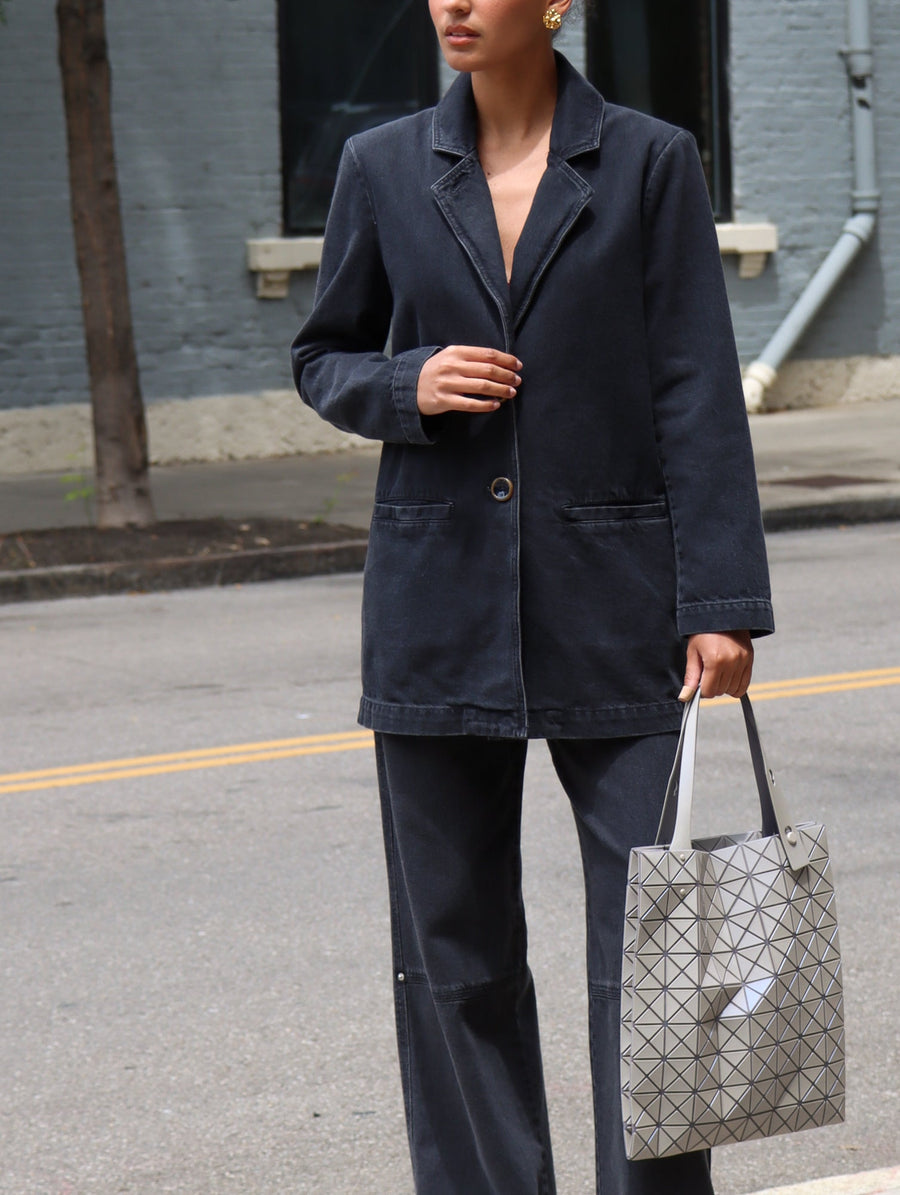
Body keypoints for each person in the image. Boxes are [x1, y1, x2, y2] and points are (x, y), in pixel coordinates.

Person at [291, 1, 774, 1191]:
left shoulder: (649, 161)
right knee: (453, 959)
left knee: (653, 959)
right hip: (436, 606)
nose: (452, 5)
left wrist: (718, 599)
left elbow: (695, 385)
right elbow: (323, 354)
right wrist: (407, 384)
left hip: (621, 606)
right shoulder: (382, 165)